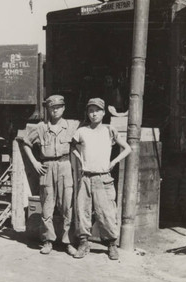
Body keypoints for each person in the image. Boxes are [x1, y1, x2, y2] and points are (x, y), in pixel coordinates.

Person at [72, 98, 131, 260]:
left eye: (97, 110)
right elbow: (73, 147)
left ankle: (111, 244)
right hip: (86, 178)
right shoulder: (82, 131)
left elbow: (127, 148)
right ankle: (83, 244)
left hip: (103, 178)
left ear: (104, 113)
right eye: (90, 111)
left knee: (107, 212)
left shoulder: (109, 130)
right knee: (82, 211)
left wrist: (113, 162)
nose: (94, 114)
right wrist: (81, 160)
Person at [22, 95, 78, 256]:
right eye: (52, 108)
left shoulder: (71, 126)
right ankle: (47, 241)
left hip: (65, 166)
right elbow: (26, 143)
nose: (55, 110)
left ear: (64, 108)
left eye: (59, 107)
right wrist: (35, 163)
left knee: (67, 205)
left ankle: (68, 242)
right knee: (47, 205)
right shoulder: (41, 127)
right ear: (48, 109)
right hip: (46, 167)